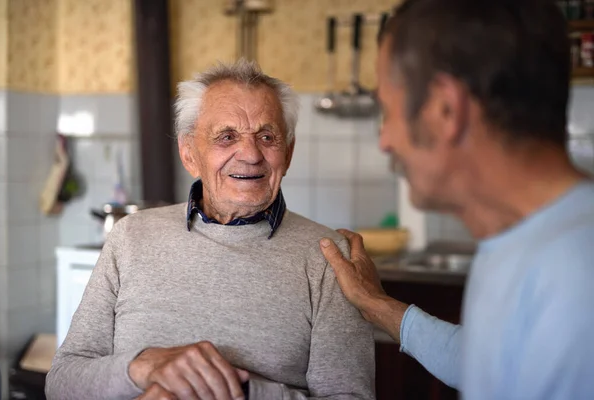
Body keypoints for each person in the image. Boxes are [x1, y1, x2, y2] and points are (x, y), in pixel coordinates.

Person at [45, 60, 375, 400]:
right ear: (189, 154)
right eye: (226, 136)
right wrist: (144, 368)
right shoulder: (130, 237)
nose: (250, 154)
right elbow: (62, 382)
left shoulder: (329, 257)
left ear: (287, 153)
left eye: (267, 136)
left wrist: (239, 392)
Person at [320, 0, 594, 399]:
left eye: (388, 111)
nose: (384, 141)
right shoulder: (519, 238)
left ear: (445, 110)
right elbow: (487, 363)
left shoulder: (576, 276)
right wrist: (374, 304)